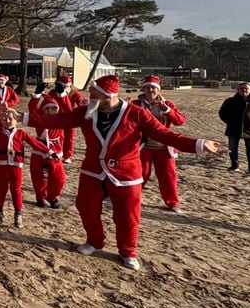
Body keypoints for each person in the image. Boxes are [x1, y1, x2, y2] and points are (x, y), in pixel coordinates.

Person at [31, 75, 220, 271]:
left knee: (128, 216)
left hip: (126, 173)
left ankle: (128, 251)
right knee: (85, 206)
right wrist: (23, 118)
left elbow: (165, 133)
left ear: (107, 94)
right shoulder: (88, 111)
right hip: (93, 170)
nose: (89, 94)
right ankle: (94, 241)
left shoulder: (135, 113)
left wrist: (197, 144)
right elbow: (58, 119)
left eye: (94, 91)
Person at [0, 109, 53, 228]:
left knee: (16, 189)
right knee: (1, 188)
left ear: (17, 121)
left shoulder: (21, 133)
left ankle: (18, 213)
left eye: (10, 118)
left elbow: (34, 143)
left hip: (16, 166)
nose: (7, 121)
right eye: (4, 119)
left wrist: (49, 151)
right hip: (3, 165)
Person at [132, 75, 188, 211]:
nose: (150, 90)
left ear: (158, 90)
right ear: (143, 89)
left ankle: (172, 202)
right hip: (144, 146)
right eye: (147, 87)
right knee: (140, 174)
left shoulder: (167, 104)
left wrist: (167, 111)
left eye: (153, 88)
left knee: (168, 176)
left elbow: (180, 121)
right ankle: (133, 198)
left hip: (164, 146)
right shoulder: (136, 104)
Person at [25, 94, 66, 209]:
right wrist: (36, 96)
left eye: (53, 108)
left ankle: (53, 197)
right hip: (40, 153)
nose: (50, 111)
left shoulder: (61, 120)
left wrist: (62, 94)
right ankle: (41, 197)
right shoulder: (39, 119)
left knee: (59, 178)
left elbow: (68, 109)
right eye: (47, 108)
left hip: (56, 154)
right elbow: (32, 111)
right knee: (40, 178)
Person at [218, 82, 250, 174]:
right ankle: (234, 165)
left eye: (246, 88)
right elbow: (222, 113)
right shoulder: (230, 101)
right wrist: (230, 122)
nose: (244, 90)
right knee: (232, 149)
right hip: (233, 129)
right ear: (238, 90)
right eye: (241, 88)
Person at [46, 73, 87, 162]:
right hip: (57, 117)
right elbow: (47, 101)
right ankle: (57, 152)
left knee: (69, 137)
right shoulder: (53, 92)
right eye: (63, 86)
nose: (65, 88)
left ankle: (67, 155)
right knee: (57, 137)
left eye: (67, 86)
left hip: (69, 117)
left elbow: (80, 102)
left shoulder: (74, 93)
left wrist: (82, 104)